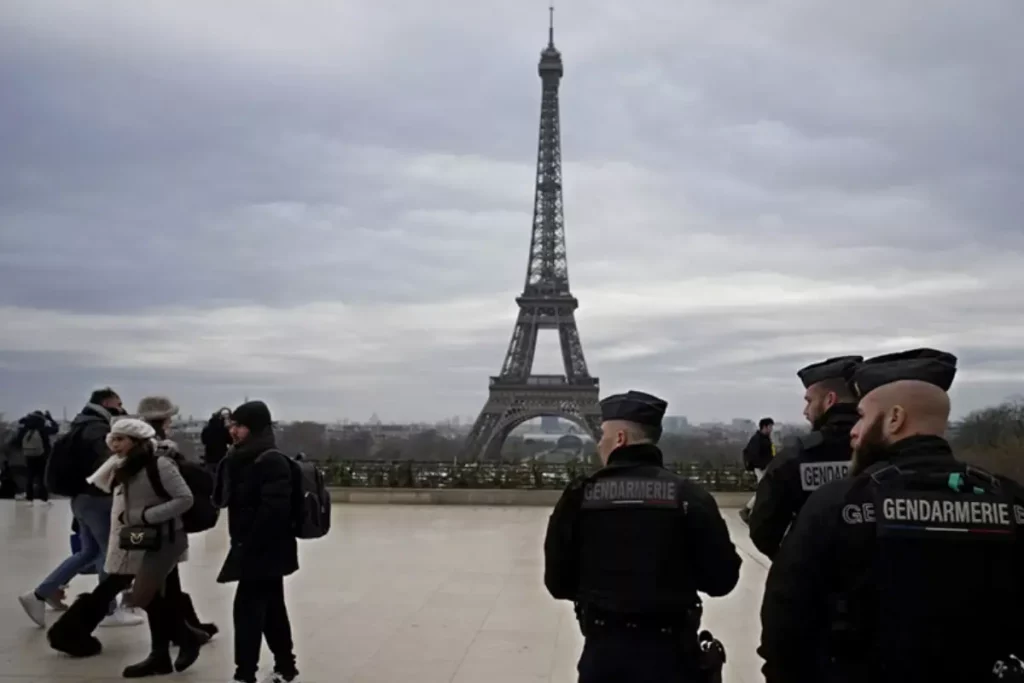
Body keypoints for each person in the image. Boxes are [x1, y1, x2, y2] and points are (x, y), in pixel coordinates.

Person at [758, 348, 1024, 683]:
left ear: (895, 419)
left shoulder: (839, 503)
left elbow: (786, 625)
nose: (853, 431)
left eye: (863, 417)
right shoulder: (1010, 501)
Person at [544, 390, 742, 683]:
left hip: (604, 651)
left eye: (603, 436)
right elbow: (722, 580)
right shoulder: (689, 496)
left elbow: (558, 584)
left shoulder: (579, 496)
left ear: (620, 438)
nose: (599, 443)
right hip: (672, 654)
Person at [46, 417, 207, 675]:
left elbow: (184, 498)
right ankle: (162, 653)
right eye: (113, 439)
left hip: (162, 539)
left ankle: (185, 639)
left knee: (144, 594)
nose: (114, 445)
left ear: (136, 441)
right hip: (136, 537)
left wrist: (146, 516)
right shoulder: (120, 466)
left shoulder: (160, 464)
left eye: (120, 439)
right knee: (156, 596)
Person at [18, 389, 144, 628]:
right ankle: (108, 610)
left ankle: (40, 594)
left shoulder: (80, 424)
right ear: (107, 403)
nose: (121, 408)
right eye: (118, 403)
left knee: (88, 552)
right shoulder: (97, 429)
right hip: (97, 498)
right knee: (110, 555)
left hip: (81, 498)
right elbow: (109, 462)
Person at [213, 400, 299, 683]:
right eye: (233, 425)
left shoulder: (269, 459)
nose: (234, 431)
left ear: (255, 428)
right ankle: (286, 668)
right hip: (258, 546)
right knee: (272, 608)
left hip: (262, 547)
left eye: (240, 426)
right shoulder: (243, 456)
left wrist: (247, 545)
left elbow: (274, 510)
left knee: (247, 611)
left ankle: (244, 673)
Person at [747, 356, 862, 558]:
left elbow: (763, 531)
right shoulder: (886, 452)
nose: (805, 411)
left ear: (829, 400)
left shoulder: (795, 458)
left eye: (809, 401)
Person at [10, 410, 60, 505]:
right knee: (42, 478)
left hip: (29, 456)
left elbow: (16, 442)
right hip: (42, 456)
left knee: (30, 478)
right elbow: (56, 429)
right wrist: (50, 419)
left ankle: (29, 499)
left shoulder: (25, 429)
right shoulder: (42, 429)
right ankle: (44, 499)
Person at [739, 417, 775, 524]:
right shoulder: (757, 439)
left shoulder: (764, 438)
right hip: (761, 468)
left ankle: (749, 510)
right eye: (770, 427)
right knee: (764, 490)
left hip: (765, 467)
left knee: (765, 489)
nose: (771, 429)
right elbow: (754, 456)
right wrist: (763, 466)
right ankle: (747, 510)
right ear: (764, 427)